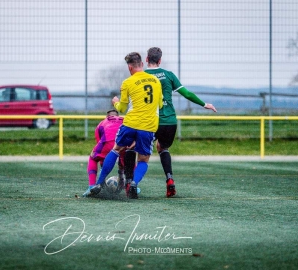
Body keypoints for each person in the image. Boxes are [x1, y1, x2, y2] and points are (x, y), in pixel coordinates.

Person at [145, 47, 217, 197]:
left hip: (150, 120)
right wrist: (205, 104)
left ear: (146, 59)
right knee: (162, 148)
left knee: (140, 151)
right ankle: (169, 179)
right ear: (160, 60)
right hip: (170, 120)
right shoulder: (169, 75)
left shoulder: (142, 76)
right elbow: (187, 93)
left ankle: (131, 184)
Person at [90, 52, 163, 199]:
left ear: (129, 67)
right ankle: (134, 183)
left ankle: (98, 183)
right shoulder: (156, 81)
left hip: (130, 123)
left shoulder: (127, 82)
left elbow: (122, 109)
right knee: (143, 159)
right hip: (148, 126)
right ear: (142, 64)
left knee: (116, 150)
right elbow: (160, 104)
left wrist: (115, 102)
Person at [83, 109, 138, 197]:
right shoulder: (124, 120)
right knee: (129, 160)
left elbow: (99, 141)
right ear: (118, 115)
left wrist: (103, 166)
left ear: (107, 116)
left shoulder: (102, 123)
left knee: (93, 158)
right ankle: (132, 185)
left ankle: (92, 186)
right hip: (124, 141)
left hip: (108, 142)